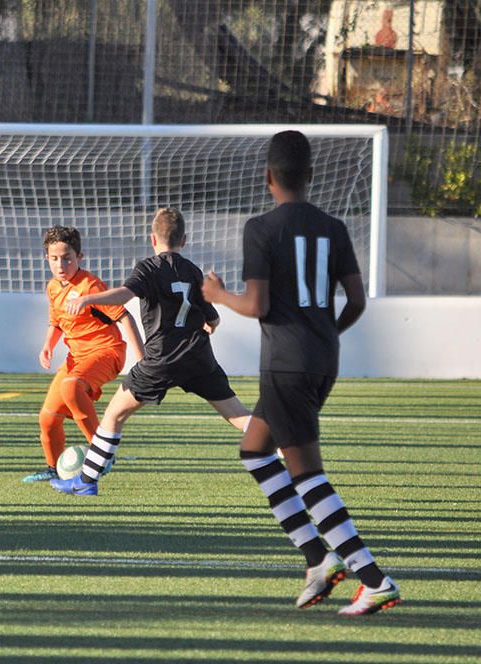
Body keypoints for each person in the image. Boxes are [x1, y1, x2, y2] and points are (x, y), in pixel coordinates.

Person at [201, 130, 400, 616]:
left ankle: (373, 578)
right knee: (254, 451)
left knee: (306, 473)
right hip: (322, 357)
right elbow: (356, 301)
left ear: (268, 177)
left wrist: (216, 294)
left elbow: (256, 304)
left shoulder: (261, 228)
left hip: (285, 364)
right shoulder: (333, 227)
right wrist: (323, 333)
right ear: (310, 177)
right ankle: (318, 559)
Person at [49, 207, 251, 496]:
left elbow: (124, 294)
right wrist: (212, 326)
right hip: (198, 357)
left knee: (114, 416)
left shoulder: (149, 267)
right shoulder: (192, 271)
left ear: (152, 239)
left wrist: (88, 298)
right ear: (185, 240)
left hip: (161, 359)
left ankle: (85, 481)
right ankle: (286, 445)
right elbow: (212, 317)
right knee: (237, 415)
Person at [24, 226, 144, 483]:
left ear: (80, 257)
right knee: (47, 419)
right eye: (54, 258)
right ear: (47, 259)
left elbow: (124, 316)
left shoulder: (90, 286)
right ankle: (54, 468)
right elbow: (56, 321)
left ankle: (102, 452)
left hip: (106, 351)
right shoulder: (53, 287)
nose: (61, 264)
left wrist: (142, 359)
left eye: (67, 258)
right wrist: (48, 345)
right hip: (76, 358)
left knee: (71, 387)